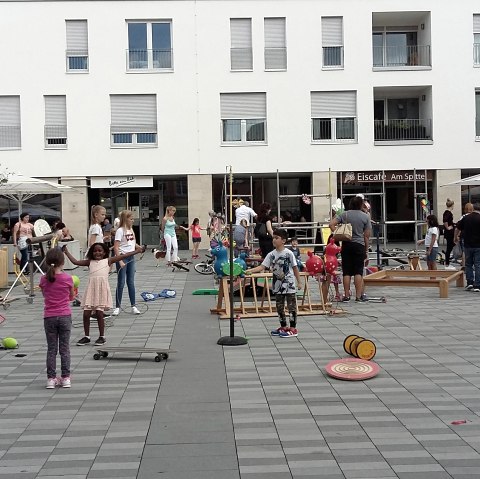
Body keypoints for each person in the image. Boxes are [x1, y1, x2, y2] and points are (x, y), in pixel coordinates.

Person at [63, 242, 144, 346]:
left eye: (100, 251)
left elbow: (123, 256)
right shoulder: (89, 262)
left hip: (101, 290)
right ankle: (87, 336)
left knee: (99, 313)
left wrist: (136, 251)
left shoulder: (108, 260)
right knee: (86, 313)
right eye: (95, 251)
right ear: (92, 252)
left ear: (104, 252)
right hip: (91, 290)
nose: (97, 253)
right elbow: (75, 262)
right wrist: (66, 252)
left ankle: (102, 336)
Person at [246, 228, 302, 338]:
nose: (274, 240)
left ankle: (293, 328)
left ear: (284, 241)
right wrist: (250, 271)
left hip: (289, 285)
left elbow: (295, 268)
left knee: (291, 306)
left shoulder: (289, 253)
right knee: (279, 307)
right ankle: (283, 326)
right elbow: (262, 266)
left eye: (277, 238)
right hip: (277, 285)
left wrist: (299, 282)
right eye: (273, 238)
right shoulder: (271, 254)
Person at [39, 248, 75, 389]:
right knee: (64, 349)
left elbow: (45, 295)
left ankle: (51, 379)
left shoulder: (43, 279)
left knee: (51, 349)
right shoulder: (68, 278)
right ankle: (66, 378)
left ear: (47, 262)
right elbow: (71, 297)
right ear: (63, 261)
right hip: (65, 315)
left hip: (49, 317)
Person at [329, 196, 371, 302]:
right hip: (359, 245)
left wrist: (338, 233)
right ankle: (358, 296)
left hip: (346, 244)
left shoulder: (345, 214)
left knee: (346, 271)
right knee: (358, 271)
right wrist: (366, 249)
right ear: (361, 204)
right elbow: (367, 235)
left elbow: (331, 224)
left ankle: (346, 295)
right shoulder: (365, 217)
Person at [113, 210, 143, 315]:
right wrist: (119, 260)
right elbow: (116, 247)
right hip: (122, 257)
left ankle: (133, 306)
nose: (133, 220)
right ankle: (117, 306)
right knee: (121, 282)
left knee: (131, 282)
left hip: (131, 257)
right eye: (131, 219)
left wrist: (140, 248)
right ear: (126, 219)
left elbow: (133, 243)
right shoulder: (120, 231)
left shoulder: (131, 230)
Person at [455, 202, 480, 292]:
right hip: (478, 245)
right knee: (478, 265)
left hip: (467, 244)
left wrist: (455, 237)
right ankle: (477, 285)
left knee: (468, 264)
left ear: (473, 209)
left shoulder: (466, 218)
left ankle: (469, 282)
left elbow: (457, 228)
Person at [443, 198, 456, 270]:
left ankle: (447, 261)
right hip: (449, 232)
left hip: (449, 231)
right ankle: (447, 262)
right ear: (452, 205)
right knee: (449, 247)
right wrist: (448, 227)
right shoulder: (448, 213)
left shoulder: (447, 212)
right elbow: (445, 220)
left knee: (450, 246)